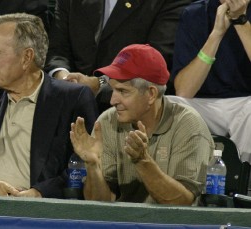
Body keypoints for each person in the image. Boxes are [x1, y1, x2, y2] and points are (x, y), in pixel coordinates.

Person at [0, 13, 98, 198]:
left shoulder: (72, 98)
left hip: (41, 213)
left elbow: (84, 163)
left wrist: (40, 193)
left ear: (26, 57)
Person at [69, 44, 214, 205]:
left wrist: (142, 161)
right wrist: (92, 164)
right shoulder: (107, 122)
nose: (112, 101)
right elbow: (100, 204)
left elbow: (181, 202)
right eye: (113, 90)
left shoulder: (188, 125)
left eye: (123, 91)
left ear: (151, 94)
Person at [44, 0, 192, 111]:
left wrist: (99, 83)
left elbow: (154, 61)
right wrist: (64, 78)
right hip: (67, 104)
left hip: (129, 111)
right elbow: (57, 49)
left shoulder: (168, 2)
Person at [168, 0, 251, 161]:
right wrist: (216, 35)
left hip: (246, 102)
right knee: (170, 106)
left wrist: (240, 20)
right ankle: (182, 179)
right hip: (205, 105)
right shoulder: (195, 13)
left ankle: (242, 181)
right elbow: (184, 91)